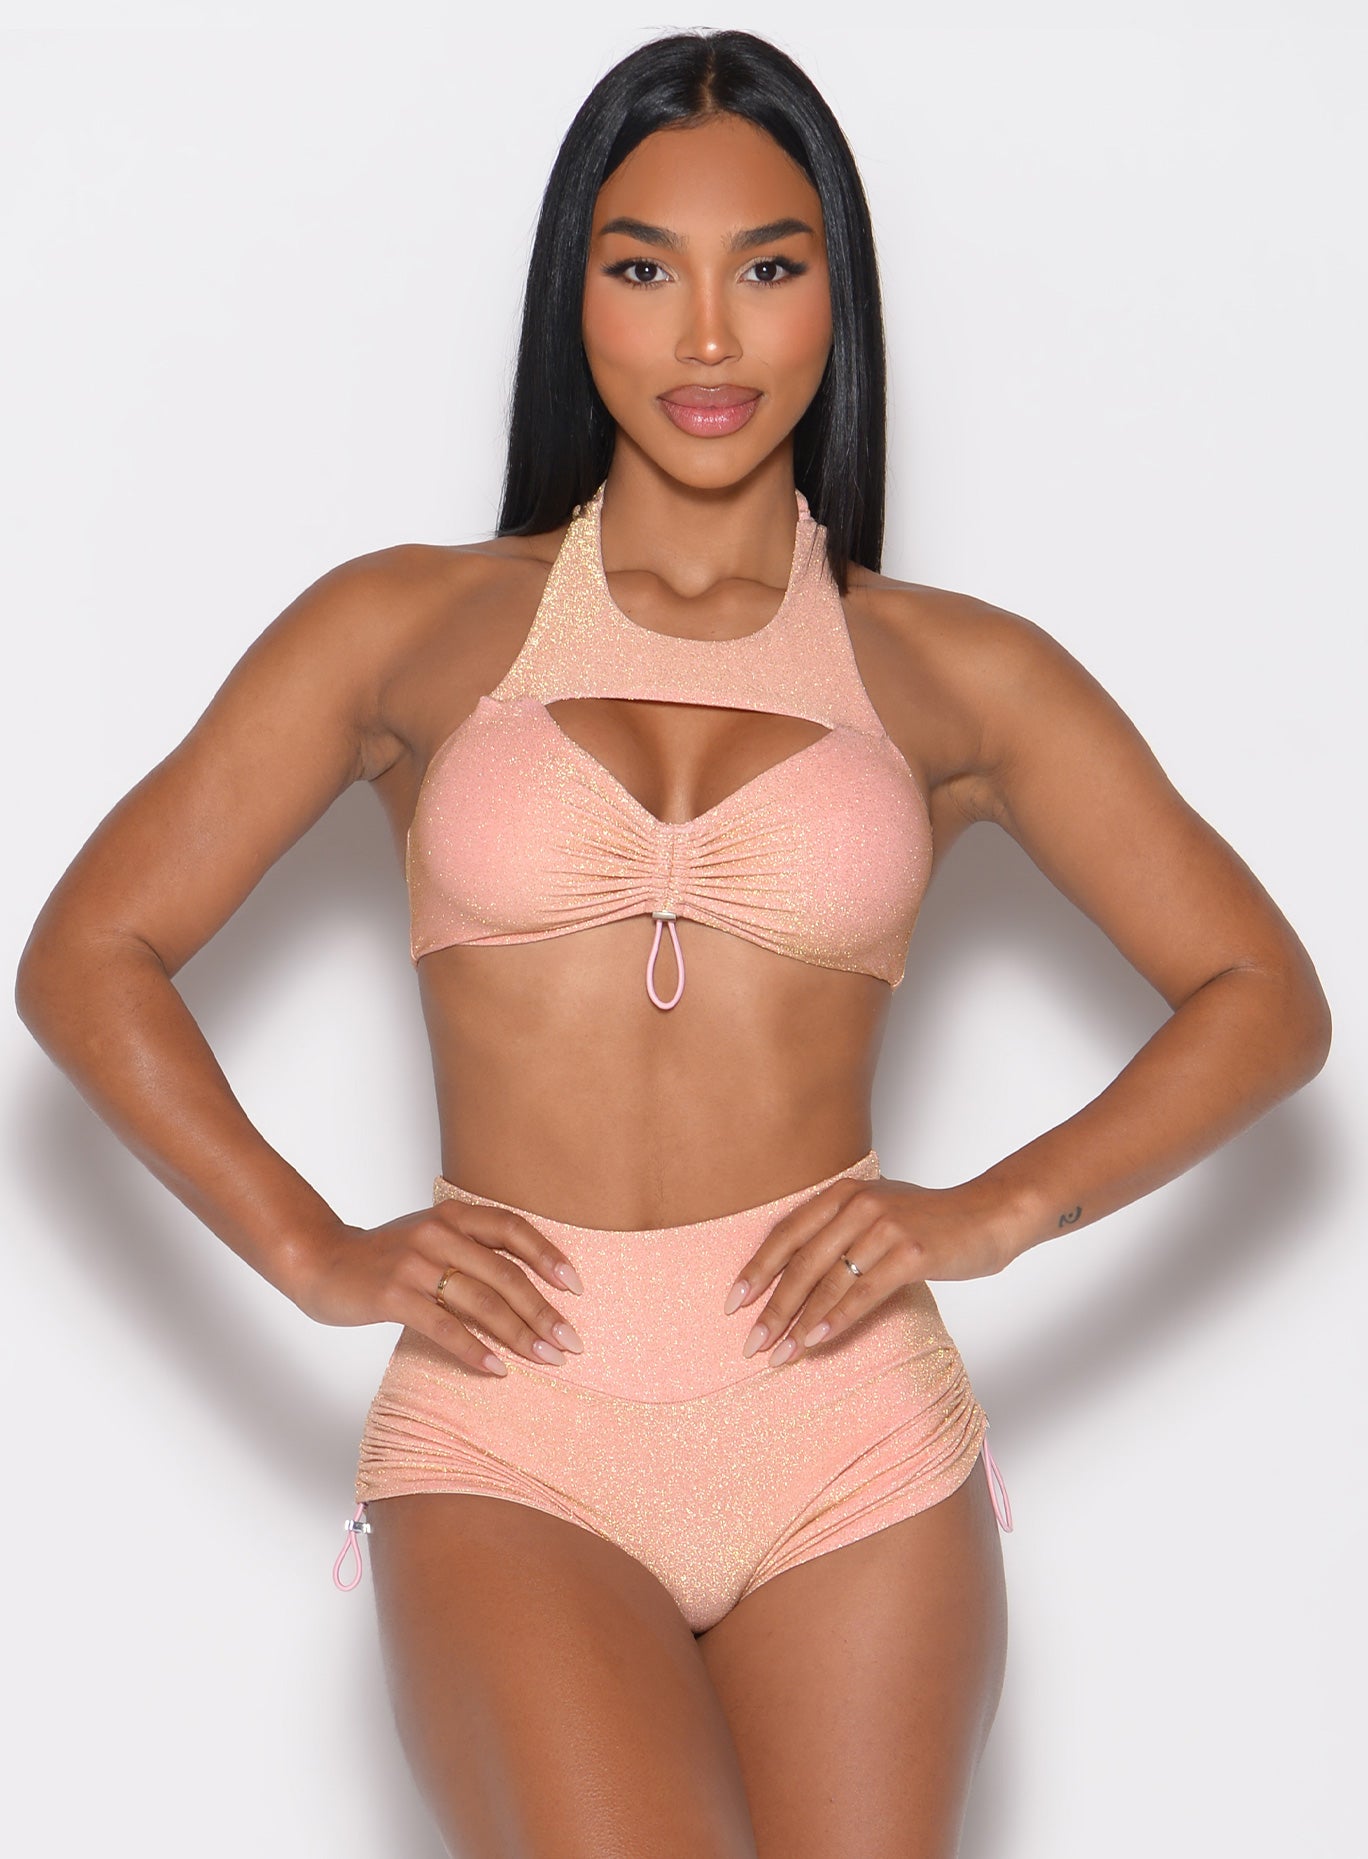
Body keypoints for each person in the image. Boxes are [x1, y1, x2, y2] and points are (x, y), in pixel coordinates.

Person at [14, 26, 1331, 1859]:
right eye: (645, 271)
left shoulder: (956, 670)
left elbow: (1266, 996)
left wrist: (996, 1211)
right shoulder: (408, 627)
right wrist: (313, 1250)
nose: (709, 338)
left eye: (767, 269)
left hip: (851, 1434)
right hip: (514, 1425)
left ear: (837, 300)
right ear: (575, 299)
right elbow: (88, 950)